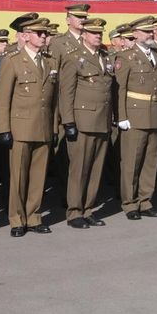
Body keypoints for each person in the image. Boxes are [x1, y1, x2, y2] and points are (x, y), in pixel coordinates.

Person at [0, 15, 59, 236]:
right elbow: (3, 98)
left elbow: (54, 101)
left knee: (38, 176)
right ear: (25, 36)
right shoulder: (13, 61)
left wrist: (54, 127)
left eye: (45, 34)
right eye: (39, 33)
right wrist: (4, 128)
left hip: (42, 127)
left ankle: (34, 216)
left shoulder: (50, 61)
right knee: (19, 177)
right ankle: (16, 219)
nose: (43, 37)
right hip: (20, 128)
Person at [59, 17, 114, 229]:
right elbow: (67, 92)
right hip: (83, 120)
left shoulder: (105, 57)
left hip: (102, 120)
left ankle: (88, 208)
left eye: (100, 33)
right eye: (93, 33)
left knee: (95, 168)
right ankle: (74, 212)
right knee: (79, 169)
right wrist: (69, 121)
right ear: (84, 35)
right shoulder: (74, 58)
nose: (98, 36)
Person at [115, 18, 157, 219]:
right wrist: (122, 116)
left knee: (150, 161)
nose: (150, 35)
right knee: (132, 162)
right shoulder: (126, 56)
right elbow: (120, 89)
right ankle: (129, 203)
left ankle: (145, 201)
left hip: (154, 113)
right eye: (146, 31)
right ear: (135, 34)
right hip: (135, 115)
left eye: (151, 31)